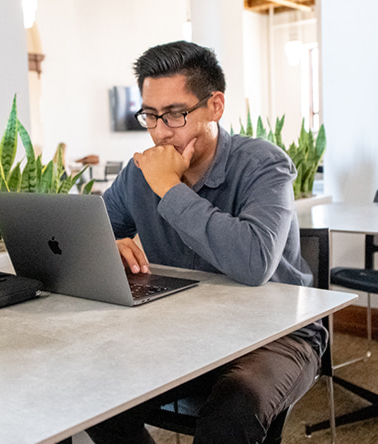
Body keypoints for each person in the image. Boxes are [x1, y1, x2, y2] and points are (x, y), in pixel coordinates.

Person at [86, 41, 328, 443]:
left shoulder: (264, 164)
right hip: (185, 330)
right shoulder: (138, 172)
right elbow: (97, 228)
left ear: (215, 105)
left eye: (176, 114)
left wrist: (169, 188)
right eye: (150, 115)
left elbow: (254, 262)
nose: (161, 132)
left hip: (277, 333)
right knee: (89, 392)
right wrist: (108, 243)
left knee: (233, 409)